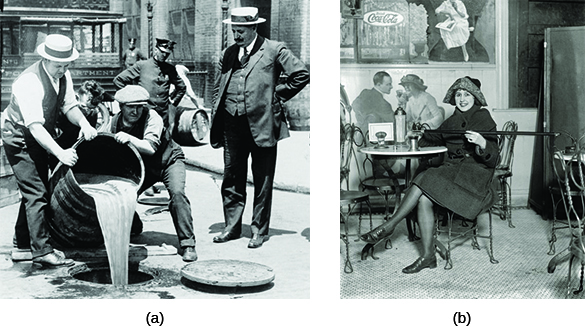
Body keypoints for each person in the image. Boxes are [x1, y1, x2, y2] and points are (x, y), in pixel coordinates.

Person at [360, 76, 499, 274]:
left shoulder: (483, 117)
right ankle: (427, 256)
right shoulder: (452, 120)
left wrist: (482, 143)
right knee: (424, 198)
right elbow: (434, 137)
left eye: (467, 95)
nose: (462, 99)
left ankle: (390, 225)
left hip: (474, 179)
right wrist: (418, 133)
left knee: (424, 178)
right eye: (458, 94)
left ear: (475, 97)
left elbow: (494, 159)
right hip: (453, 173)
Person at [210, 7, 309, 248]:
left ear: (254, 27)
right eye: (234, 30)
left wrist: (276, 96)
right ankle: (231, 228)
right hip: (232, 124)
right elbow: (219, 85)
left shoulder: (275, 49)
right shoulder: (229, 52)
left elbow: (301, 74)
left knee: (263, 179)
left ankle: (259, 230)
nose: (236, 35)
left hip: (263, 123)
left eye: (241, 31)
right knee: (232, 177)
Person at [1, 34, 98, 266]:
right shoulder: (29, 82)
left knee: (37, 189)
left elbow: (69, 105)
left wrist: (84, 123)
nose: (62, 70)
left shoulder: (63, 75)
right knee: (36, 193)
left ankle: (23, 245)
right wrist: (60, 153)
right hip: (18, 136)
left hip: (36, 134)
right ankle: (42, 251)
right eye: (58, 66)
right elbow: (35, 127)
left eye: (66, 65)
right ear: (45, 59)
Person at [108, 85, 197, 262]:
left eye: (139, 106)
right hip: (145, 167)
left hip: (169, 161)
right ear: (121, 107)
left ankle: (188, 244)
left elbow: (150, 147)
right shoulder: (115, 122)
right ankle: (134, 225)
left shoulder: (152, 117)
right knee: (123, 193)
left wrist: (130, 138)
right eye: (131, 107)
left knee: (178, 195)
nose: (136, 111)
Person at [114, 38, 186, 130]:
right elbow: (118, 80)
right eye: (162, 52)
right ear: (156, 50)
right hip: (144, 114)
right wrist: (130, 99)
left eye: (167, 53)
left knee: (162, 139)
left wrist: (174, 101)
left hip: (162, 115)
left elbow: (182, 87)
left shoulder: (170, 69)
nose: (164, 55)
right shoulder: (142, 65)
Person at [351, 71, 396, 178]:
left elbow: (354, 105)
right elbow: (395, 121)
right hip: (376, 142)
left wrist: (363, 120)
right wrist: (402, 103)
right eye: (388, 84)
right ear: (379, 85)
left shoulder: (365, 93)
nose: (391, 87)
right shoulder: (383, 104)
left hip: (360, 138)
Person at [56, 80, 113, 148]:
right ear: (77, 98)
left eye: (90, 109)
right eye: (83, 106)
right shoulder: (67, 111)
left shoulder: (93, 114)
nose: (86, 111)